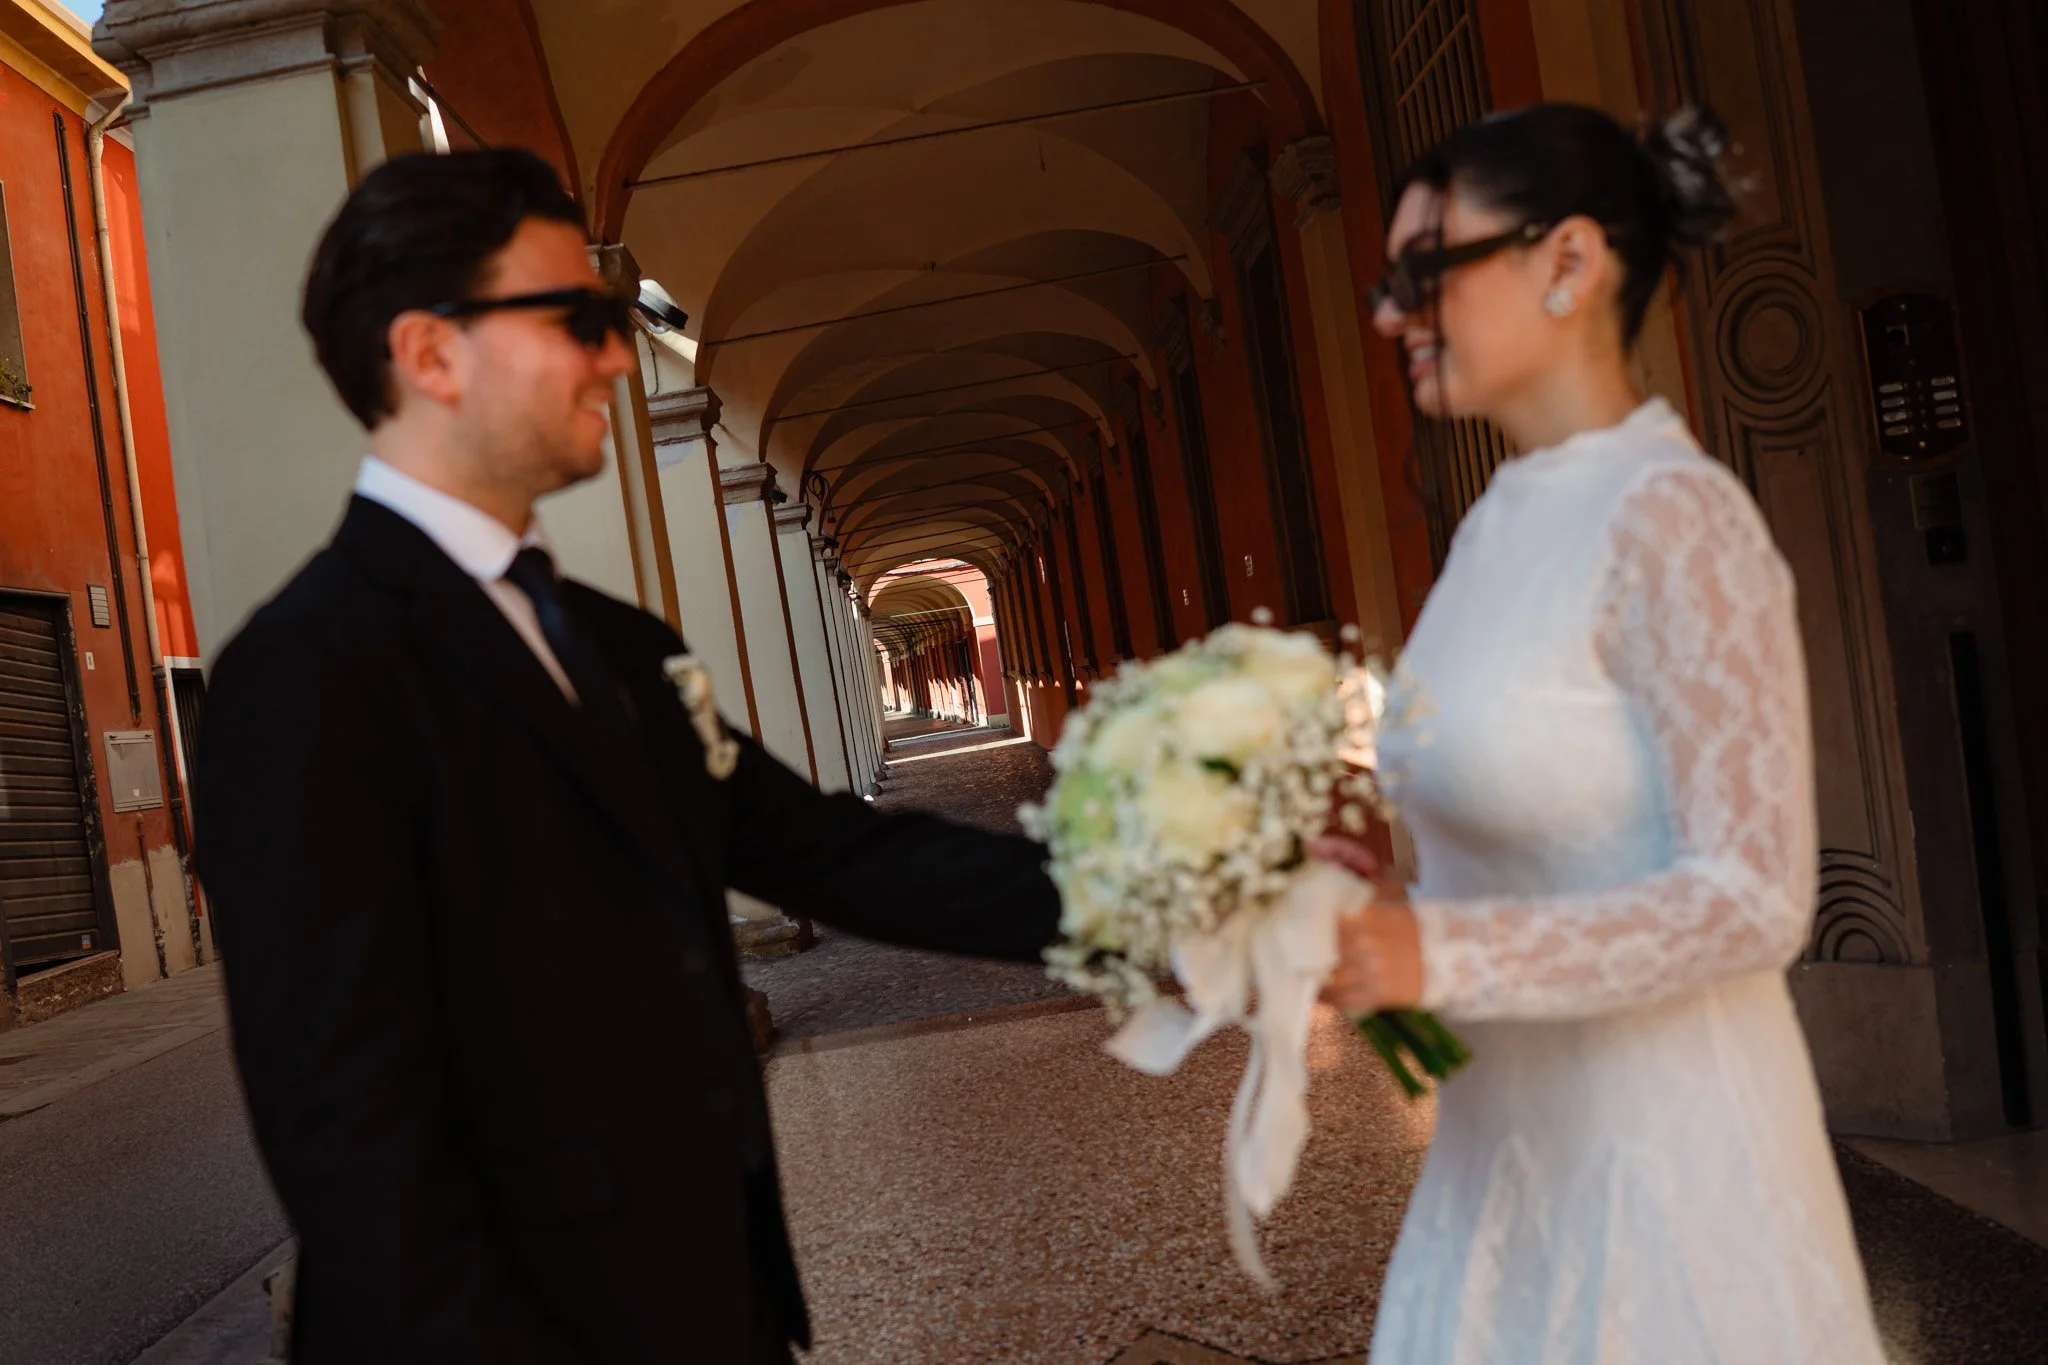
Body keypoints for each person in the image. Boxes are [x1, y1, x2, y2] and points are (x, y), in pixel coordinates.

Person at [192, 148, 1060, 1364]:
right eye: (580, 320)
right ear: (431, 354)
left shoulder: (617, 644)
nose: (614, 358)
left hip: (709, 1302)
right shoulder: (305, 673)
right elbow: (349, 1127)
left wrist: (1178, 893)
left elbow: (835, 856)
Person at [1314, 105, 1887, 1362]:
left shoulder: (1674, 517)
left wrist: (1440, 951)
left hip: (1664, 1180)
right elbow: (1533, 844)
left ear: (1568, 261)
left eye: (1422, 271)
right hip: (1498, 1166)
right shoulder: (1493, 523)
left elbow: (1749, 898)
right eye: (1384, 283)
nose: (1389, 317)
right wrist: (1382, 902)